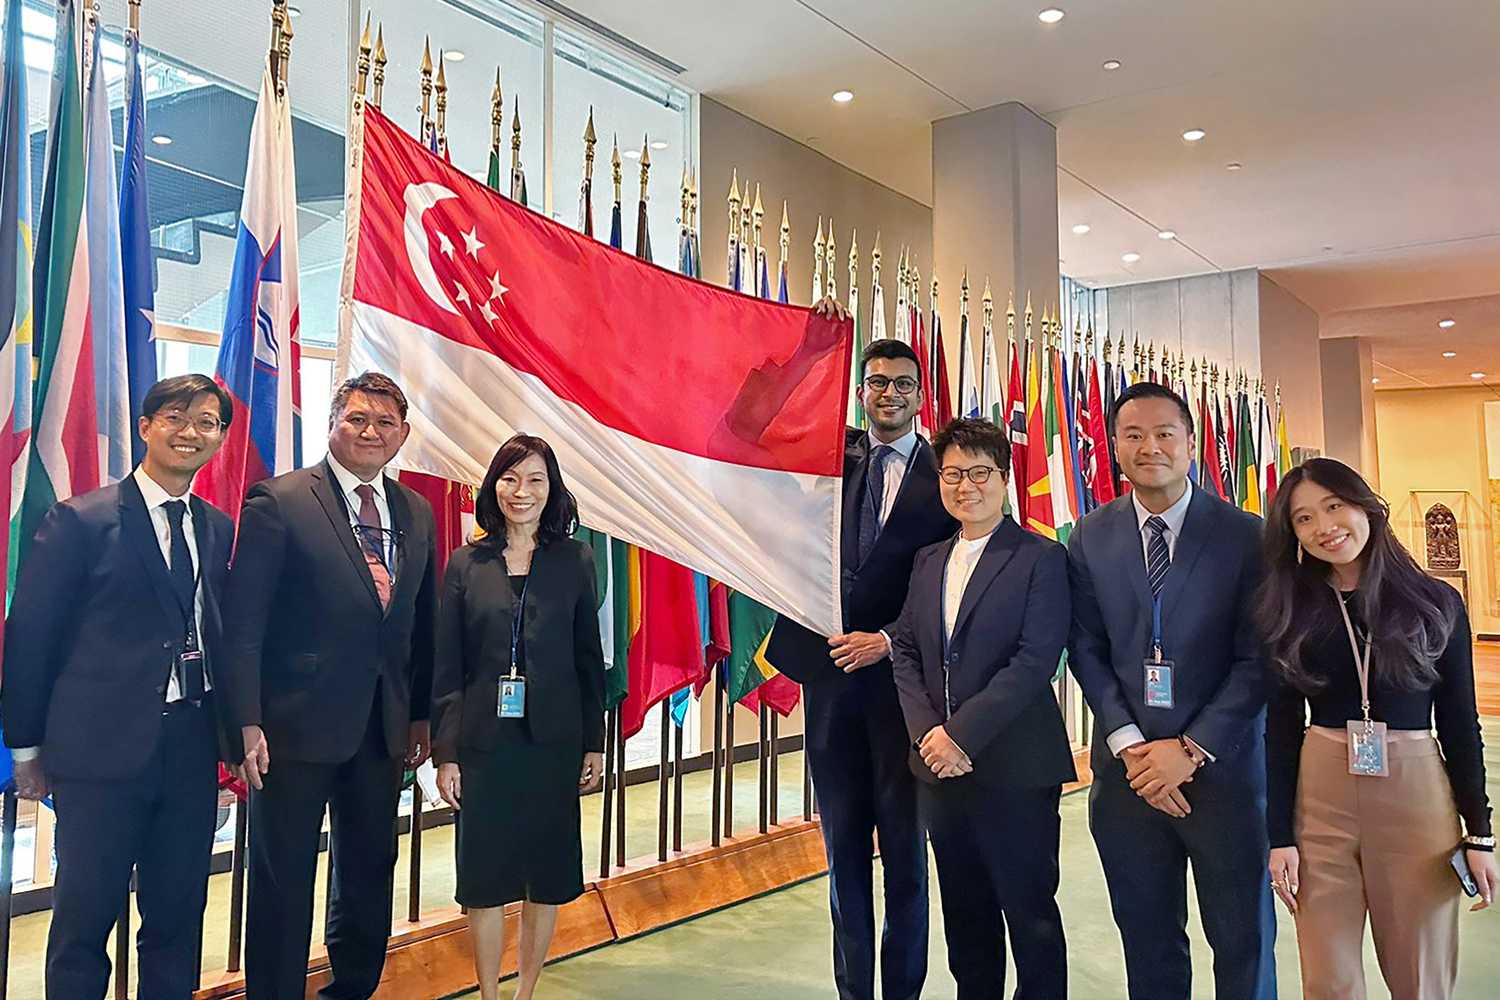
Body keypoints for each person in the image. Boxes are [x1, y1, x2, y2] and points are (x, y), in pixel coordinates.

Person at [2, 375, 238, 999]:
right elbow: (31, 638)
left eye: (208, 422)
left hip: (190, 745)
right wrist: (25, 748)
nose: (191, 432)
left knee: (177, 913)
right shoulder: (80, 520)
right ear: (145, 426)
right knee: (84, 919)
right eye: (176, 417)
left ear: (219, 438)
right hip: (98, 754)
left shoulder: (216, 527)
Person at [219, 371, 438, 1000]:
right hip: (291, 730)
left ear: (402, 435)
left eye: (385, 423)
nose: (370, 432)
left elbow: (419, 624)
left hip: (383, 727)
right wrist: (247, 719)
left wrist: (419, 716)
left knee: (370, 868)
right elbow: (245, 626)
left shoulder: (415, 511)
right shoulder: (279, 500)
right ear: (332, 423)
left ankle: (353, 987)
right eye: (357, 419)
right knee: (283, 876)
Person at [1066, 381, 1276, 1000]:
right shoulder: (1089, 533)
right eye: (1132, 434)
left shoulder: (1247, 534)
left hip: (1226, 776)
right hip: (1128, 781)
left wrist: (1189, 749)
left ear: (1192, 443)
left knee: (1242, 944)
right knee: (1148, 941)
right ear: (1114, 447)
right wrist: (1134, 746)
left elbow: (1259, 658)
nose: (1149, 446)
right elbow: (1085, 647)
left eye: (1164, 433)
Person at [765, 323, 956, 1000]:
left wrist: (889, 638)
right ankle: (855, 991)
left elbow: (954, 580)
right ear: (861, 390)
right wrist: (808, 348)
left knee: (904, 851)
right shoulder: (827, 453)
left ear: (919, 396)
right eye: (877, 382)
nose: (889, 394)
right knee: (842, 846)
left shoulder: (948, 475)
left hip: (904, 689)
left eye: (903, 384)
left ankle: (902, 989)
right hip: (828, 680)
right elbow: (750, 422)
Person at [1258, 457, 1495, 999]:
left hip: (1416, 796)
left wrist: (1479, 832)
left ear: (1366, 506)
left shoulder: (1436, 603)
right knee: (1328, 978)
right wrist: (1279, 837)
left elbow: (1461, 722)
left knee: (1421, 975)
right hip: (1320, 795)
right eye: (1304, 519)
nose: (1325, 527)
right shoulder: (1289, 605)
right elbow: (1280, 726)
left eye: (1334, 506)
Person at [891, 418, 1074, 999]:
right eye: (952, 474)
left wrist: (960, 737)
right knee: (965, 917)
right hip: (939, 772)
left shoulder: (1040, 557)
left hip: (1016, 766)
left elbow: (1033, 660)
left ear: (1003, 477)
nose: (964, 486)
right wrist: (929, 737)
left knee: (1030, 915)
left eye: (978, 473)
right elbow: (906, 650)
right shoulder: (927, 559)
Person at [432, 434, 606, 1000]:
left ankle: (525, 991)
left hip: (552, 743)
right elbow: (448, 665)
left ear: (552, 489)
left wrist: (594, 743)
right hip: (484, 745)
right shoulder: (466, 562)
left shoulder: (575, 559)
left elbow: (588, 658)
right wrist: (446, 753)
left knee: (546, 876)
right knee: (483, 880)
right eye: (510, 478)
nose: (521, 491)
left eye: (535, 480)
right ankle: (488, 992)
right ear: (493, 486)